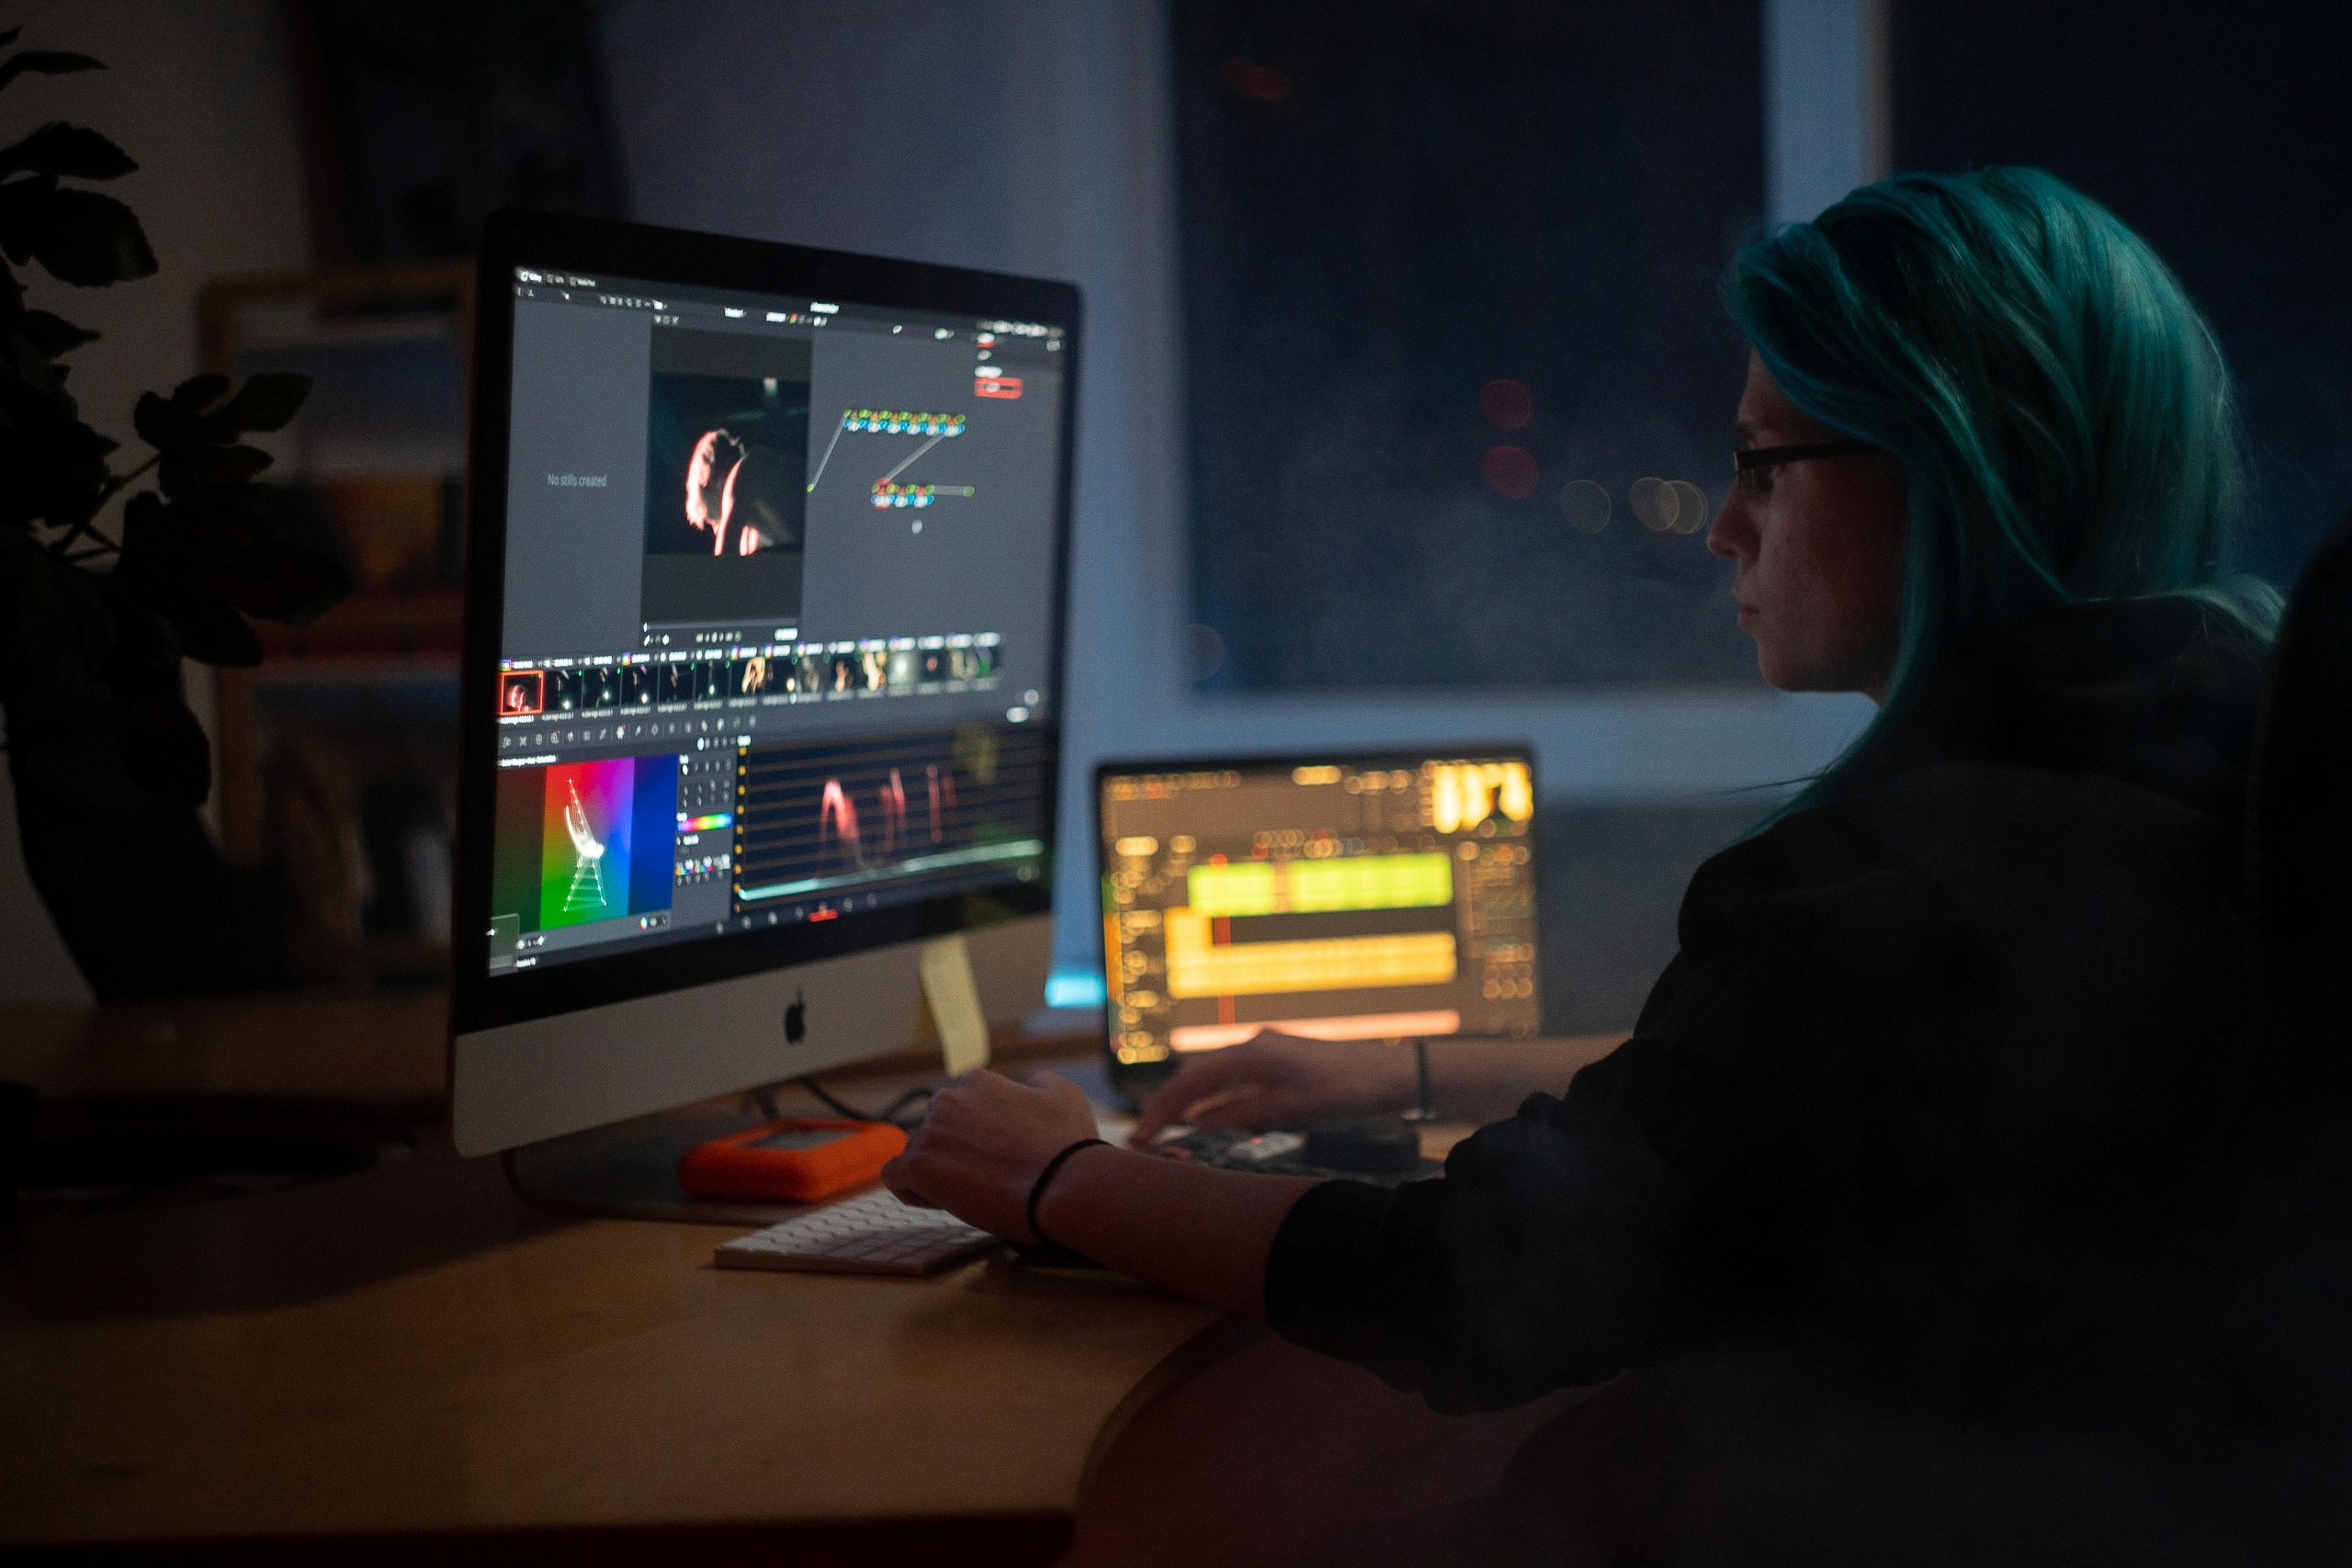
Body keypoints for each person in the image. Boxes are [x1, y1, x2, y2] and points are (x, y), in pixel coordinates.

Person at [885, 168, 2282, 1556]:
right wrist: (1414, 1073)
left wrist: (1064, 1178)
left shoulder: (1891, 885)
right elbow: (1807, 1088)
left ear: (1945, 468)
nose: (1729, 527)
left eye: (1762, 463)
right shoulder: (2222, 763)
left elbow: (1476, 1289)